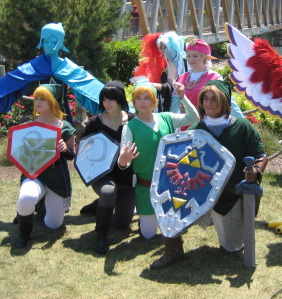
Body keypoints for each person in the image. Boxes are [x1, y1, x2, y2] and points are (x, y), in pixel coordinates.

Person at [150, 80, 268, 269]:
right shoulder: (197, 129)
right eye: (206, 98)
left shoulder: (242, 127)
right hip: (197, 191)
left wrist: (255, 171)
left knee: (232, 247)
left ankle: (229, 236)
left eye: (215, 98)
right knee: (171, 202)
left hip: (230, 195)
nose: (210, 103)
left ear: (225, 101)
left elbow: (261, 155)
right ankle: (173, 250)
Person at [118, 78, 199, 241]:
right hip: (146, 187)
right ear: (134, 102)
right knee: (148, 235)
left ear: (154, 101)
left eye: (147, 98)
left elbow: (194, 117)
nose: (142, 102)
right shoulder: (130, 127)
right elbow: (122, 160)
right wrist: (124, 159)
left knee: (173, 229)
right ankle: (145, 220)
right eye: (138, 99)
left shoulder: (167, 118)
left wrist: (183, 97)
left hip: (171, 184)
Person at [14, 84, 76, 249]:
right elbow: (20, 152)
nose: (38, 102)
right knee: (26, 198)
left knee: (53, 225)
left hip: (57, 179)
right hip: (34, 175)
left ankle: (41, 205)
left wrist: (64, 150)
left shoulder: (65, 127)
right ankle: (24, 234)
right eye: (36, 99)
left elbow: (72, 156)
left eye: (43, 99)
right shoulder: (29, 124)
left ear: (52, 101)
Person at [79, 81, 136, 254]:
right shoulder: (95, 122)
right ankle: (101, 235)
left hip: (126, 177)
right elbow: (83, 151)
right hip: (103, 175)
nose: (107, 103)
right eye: (104, 99)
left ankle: (99, 206)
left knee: (122, 224)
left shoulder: (134, 120)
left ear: (120, 99)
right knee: (108, 191)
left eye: (111, 99)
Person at [170, 38, 244, 120]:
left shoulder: (214, 77)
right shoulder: (182, 77)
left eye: (195, 56)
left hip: (208, 122)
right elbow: (174, 104)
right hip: (187, 123)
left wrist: (242, 123)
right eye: (188, 56)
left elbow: (229, 101)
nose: (191, 59)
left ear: (204, 58)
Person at [132, 31, 187, 112]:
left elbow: (171, 85)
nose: (161, 50)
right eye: (160, 47)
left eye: (164, 47)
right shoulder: (172, 62)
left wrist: (150, 85)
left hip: (172, 102)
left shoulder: (172, 64)